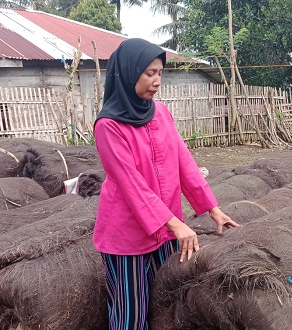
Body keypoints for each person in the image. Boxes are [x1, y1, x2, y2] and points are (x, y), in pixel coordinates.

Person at [92, 38, 240, 329]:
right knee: (131, 314)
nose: (156, 80)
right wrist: (175, 224)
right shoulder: (108, 125)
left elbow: (183, 161)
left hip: (166, 228)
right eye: (149, 73)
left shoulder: (161, 112)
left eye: (160, 73)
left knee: (167, 301)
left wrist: (211, 207)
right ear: (127, 72)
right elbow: (131, 185)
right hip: (127, 234)